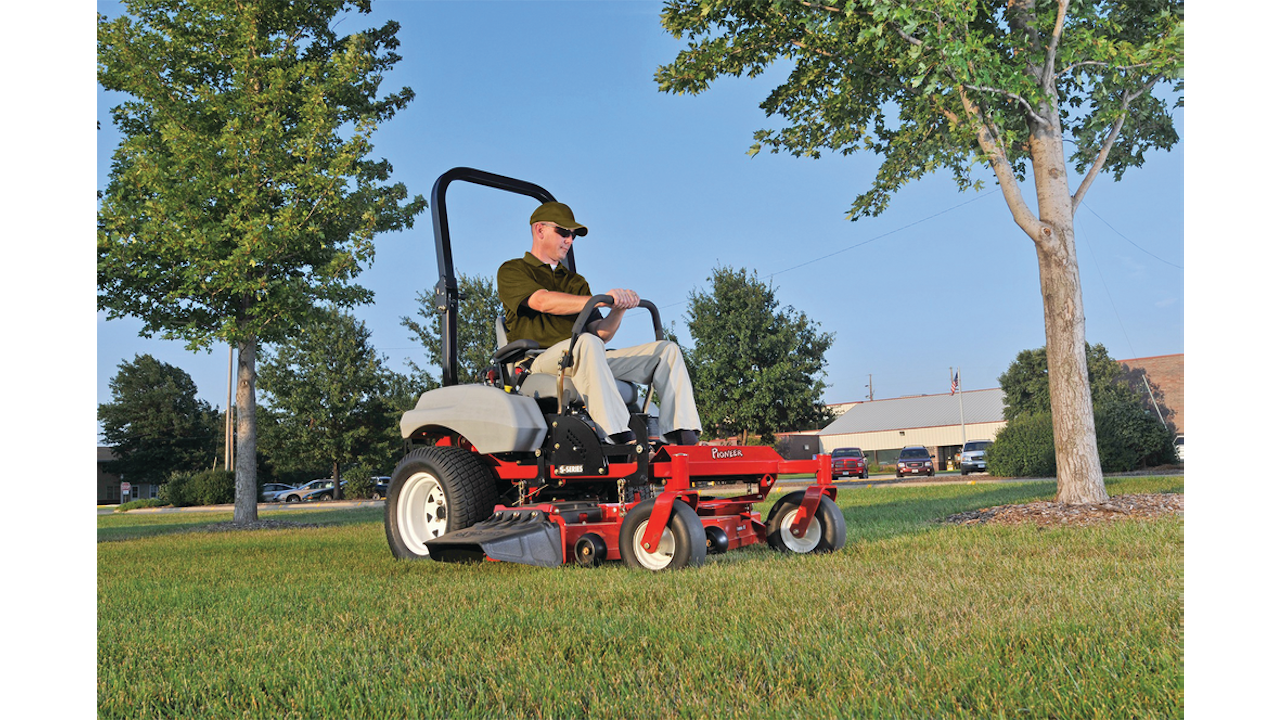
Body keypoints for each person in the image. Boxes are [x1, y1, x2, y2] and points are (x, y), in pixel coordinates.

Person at [496, 201, 701, 446]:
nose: (569, 240)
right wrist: (597, 302)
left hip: (586, 355)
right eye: (563, 232)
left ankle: (681, 432)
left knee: (666, 351)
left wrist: (618, 309)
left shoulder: (575, 281)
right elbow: (542, 301)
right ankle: (615, 430)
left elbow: (601, 333)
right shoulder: (513, 270)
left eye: (572, 235)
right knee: (587, 343)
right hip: (539, 362)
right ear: (539, 230)